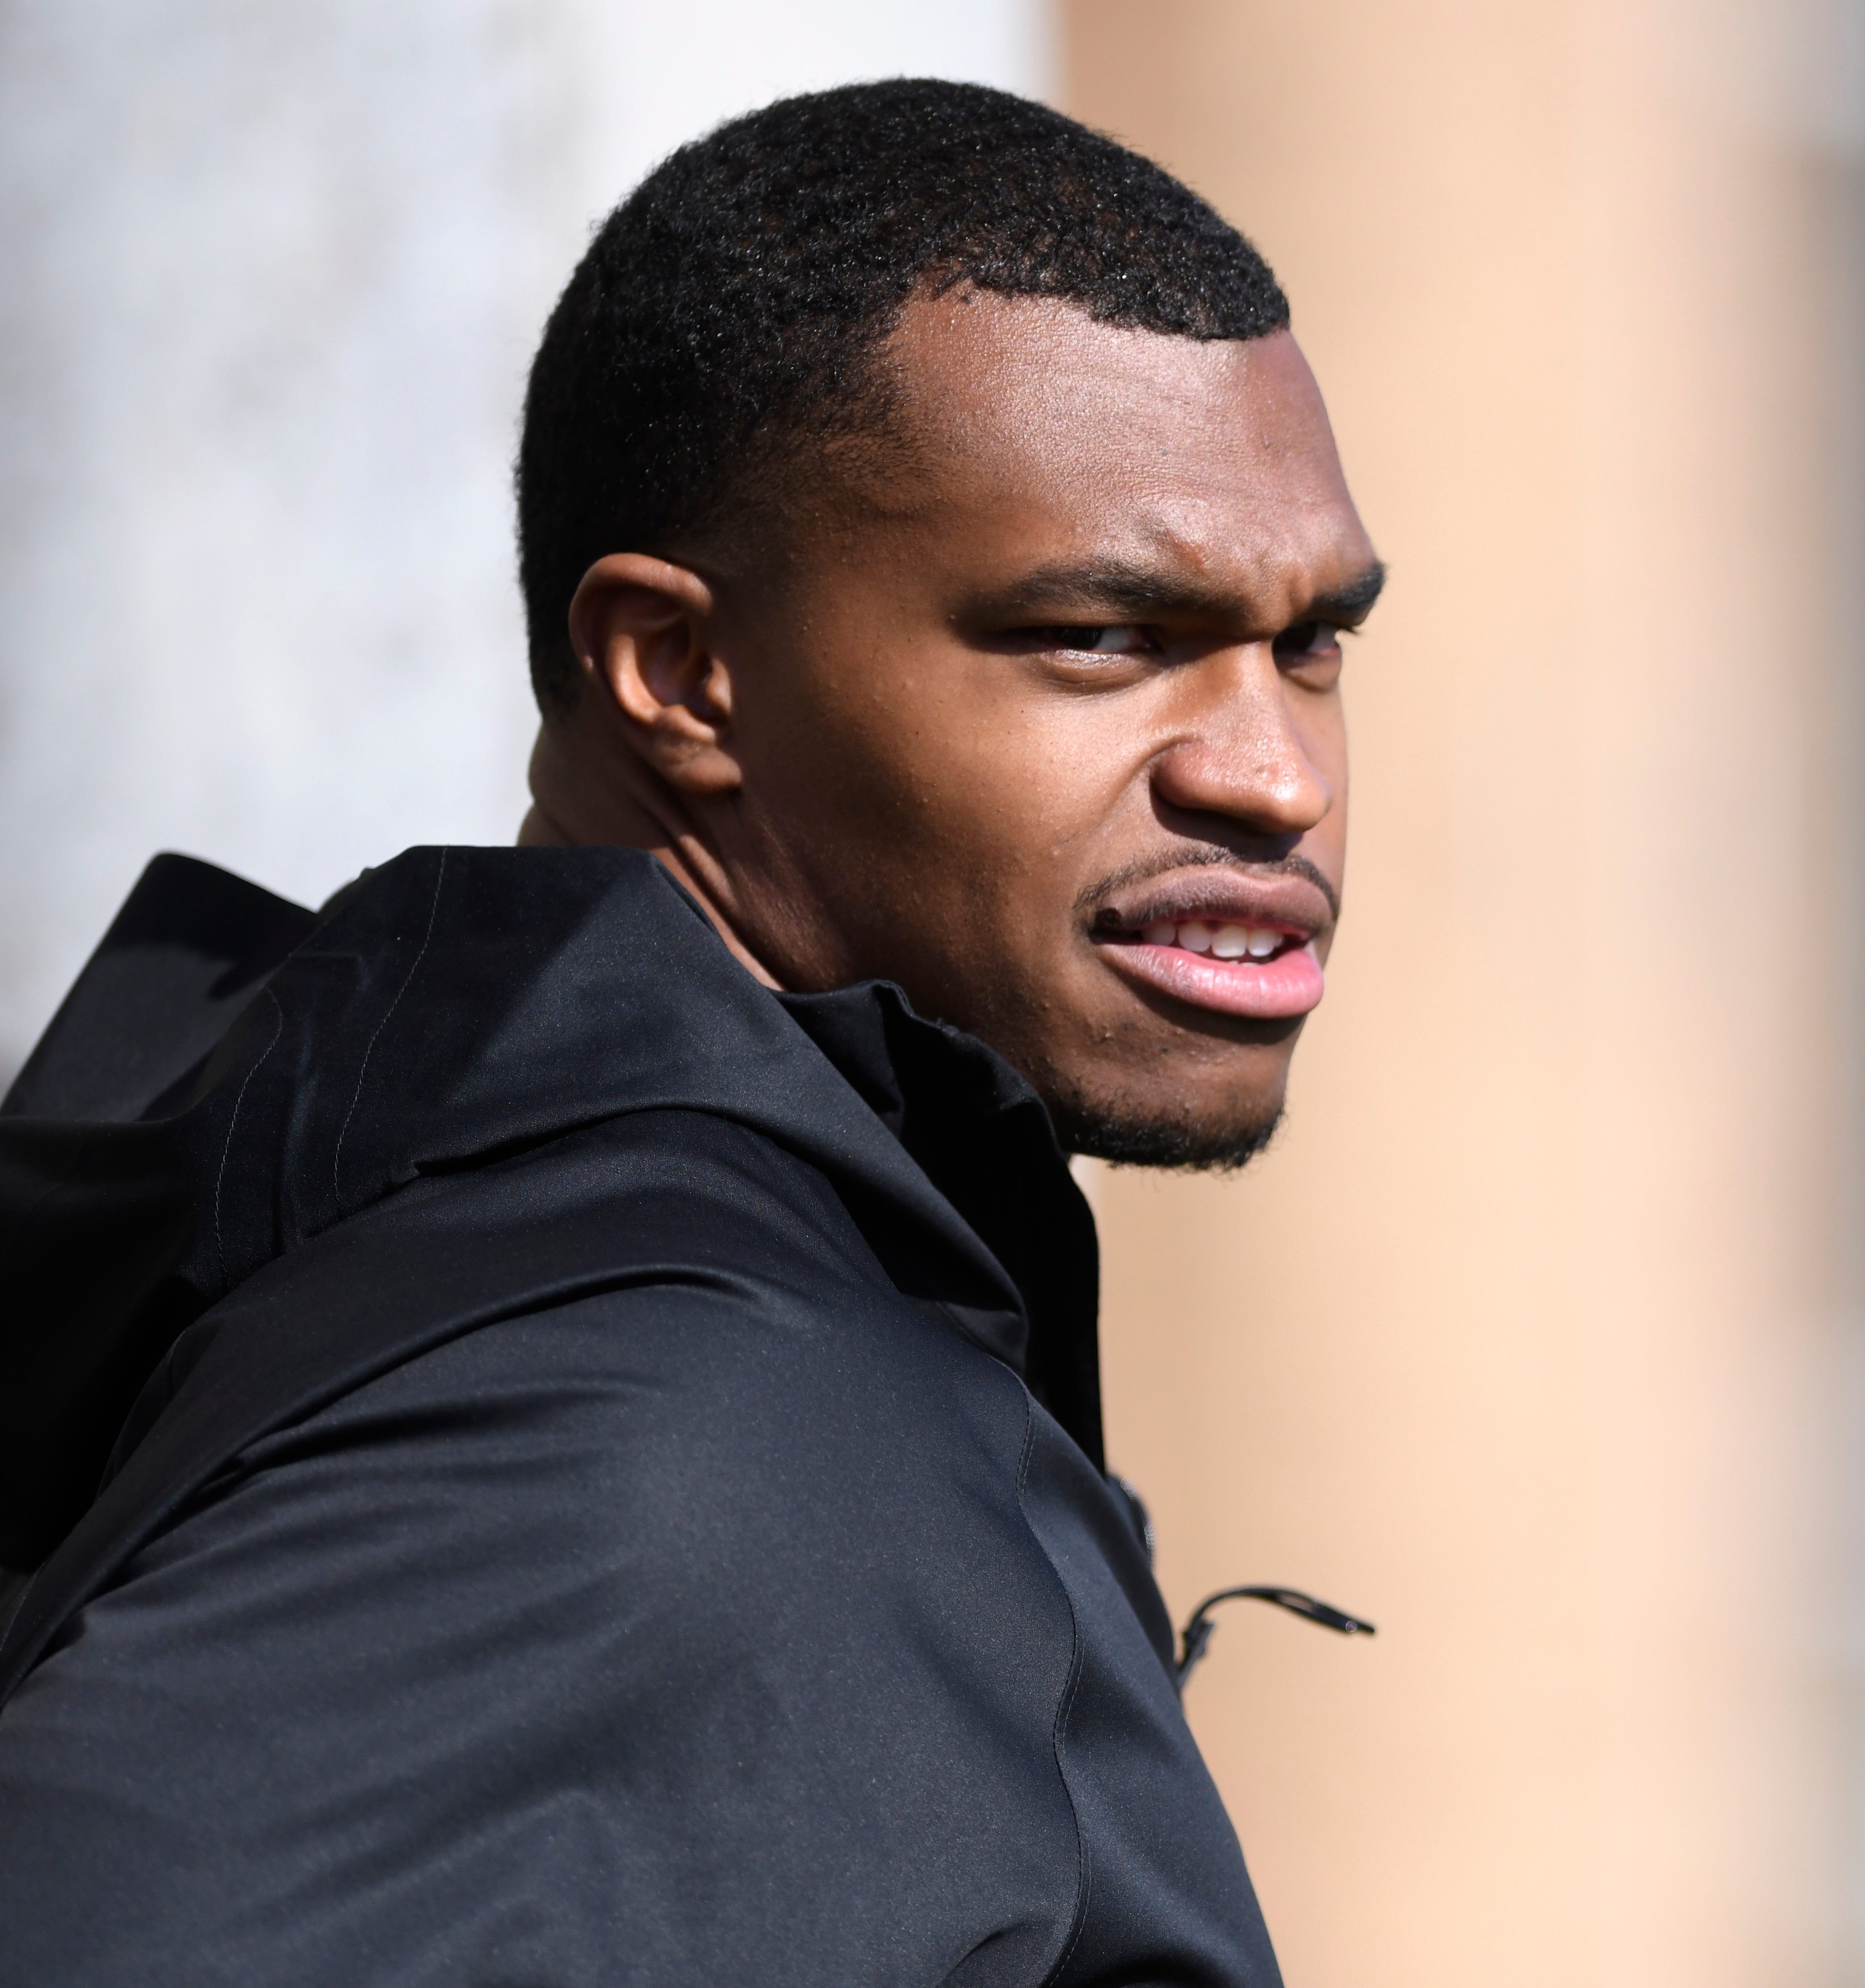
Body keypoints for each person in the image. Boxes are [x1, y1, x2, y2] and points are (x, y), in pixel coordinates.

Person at [0, 79, 1379, 1985]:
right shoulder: (672, 1436)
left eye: (1313, 641)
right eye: (1100, 636)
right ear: (678, 674)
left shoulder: (519, 1244)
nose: (1273, 772)